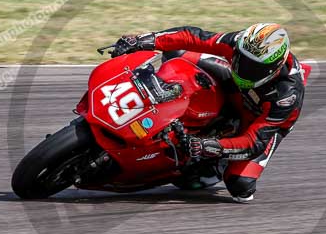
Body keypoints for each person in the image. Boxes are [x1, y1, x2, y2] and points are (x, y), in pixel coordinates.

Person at [112, 23, 306, 203]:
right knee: (176, 52)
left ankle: (212, 165)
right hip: (234, 87)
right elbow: (193, 37)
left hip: (258, 121)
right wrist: (144, 40)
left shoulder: (286, 96)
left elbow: (253, 143)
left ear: (275, 68)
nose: (244, 68)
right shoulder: (239, 42)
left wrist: (208, 146)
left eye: (253, 67)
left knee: (240, 185)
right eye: (242, 59)